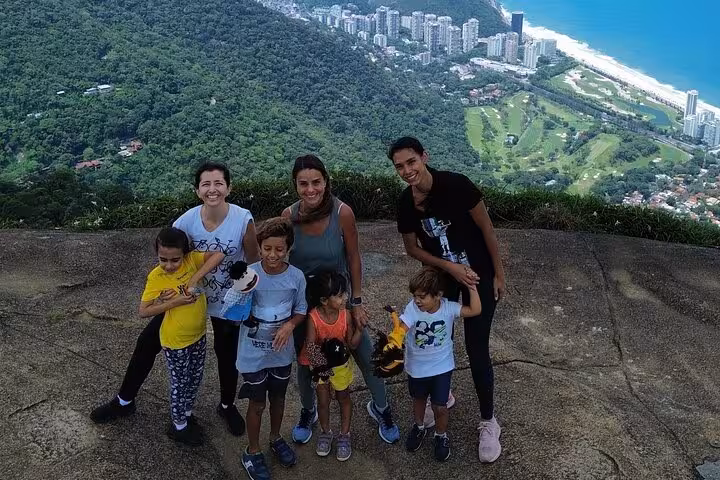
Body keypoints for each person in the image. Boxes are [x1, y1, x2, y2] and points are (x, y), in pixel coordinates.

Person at [91, 162, 260, 437]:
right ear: (197, 190)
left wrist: (253, 294)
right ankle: (124, 401)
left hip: (226, 300)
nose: (212, 189)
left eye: (218, 183)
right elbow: (170, 260)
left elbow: (253, 258)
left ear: (229, 187)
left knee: (227, 353)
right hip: (186, 300)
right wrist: (169, 292)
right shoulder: (185, 222)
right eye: (206, 184)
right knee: (148, 342)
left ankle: (227, 405)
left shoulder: (243, 219)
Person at [389, 137, 506, 463]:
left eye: (411, 162)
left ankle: (488, 421)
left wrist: (498, 273)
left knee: (476, 347)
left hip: (478, 276)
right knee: (435, 339)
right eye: (399, 166)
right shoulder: (405, 202)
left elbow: (487, 229)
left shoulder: (456, 185)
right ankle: (442, 394)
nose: (407, 170)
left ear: (424, 157)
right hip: (441, 280)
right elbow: (412, 248)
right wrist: (448, 267)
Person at [281, 154, 400, 445]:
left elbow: (353, 257)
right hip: (305, 304)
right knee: (310, 361)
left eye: (316, 182)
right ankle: (309, 411)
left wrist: (356, 302)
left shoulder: (341, 213)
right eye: (303, 184)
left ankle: (381, 408)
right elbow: (280, 258)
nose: (311, 190)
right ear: (295, 185)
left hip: (338, 299)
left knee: (365, 354)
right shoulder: (289, 216)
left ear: (326, 181)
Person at [138, 227, 225, 446]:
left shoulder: (191, 261)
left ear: (184, 254)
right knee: (179, 382)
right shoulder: (156, 276)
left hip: (198, 335)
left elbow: (219, 254)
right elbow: (143, 311)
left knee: (195, 378)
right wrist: (173, 302)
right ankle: (178, 426)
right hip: (175, 341)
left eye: (174, 260)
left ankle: (187, 414)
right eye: (162, 259)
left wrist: (194, 279)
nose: (168, 265)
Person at [236, 217, 307, 480]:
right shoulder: (249, 275)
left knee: (278, 399)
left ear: (288, 248)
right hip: (253, 354)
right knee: (257, 403)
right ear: (259, 247)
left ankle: (275, 438)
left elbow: (300, 310)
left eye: (279, 249)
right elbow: (234, 312)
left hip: (280, 353)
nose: (273, 255)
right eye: (267, 249)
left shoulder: (296, 277)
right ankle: (252, 451)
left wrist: (290, 326)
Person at [399, 267, 482, 461]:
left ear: (438, 295)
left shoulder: (448, 308)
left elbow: (475, 310)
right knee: (418, 400)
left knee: (440, 406)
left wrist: (471, 286)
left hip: (441, 368)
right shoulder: (412, 308)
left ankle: (441, 435)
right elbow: (402, 327)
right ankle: (419, 427)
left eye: (422, 296)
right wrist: (394, 339)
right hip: (417, 368)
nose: (417, 300)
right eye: (414, 296)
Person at [298, 272, 362, 461]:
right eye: (340, 295)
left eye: (344, 294)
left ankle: (344, 435)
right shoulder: (313, 318)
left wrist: (359, 329)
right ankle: (326, 432)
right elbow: (310, 347)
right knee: (323, 401)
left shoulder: (346, 315)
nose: (345, 298)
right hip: (319, 367)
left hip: (340, 366)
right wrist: (322, 372)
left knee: (344, 398)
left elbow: (352, 344)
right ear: (324, 300)